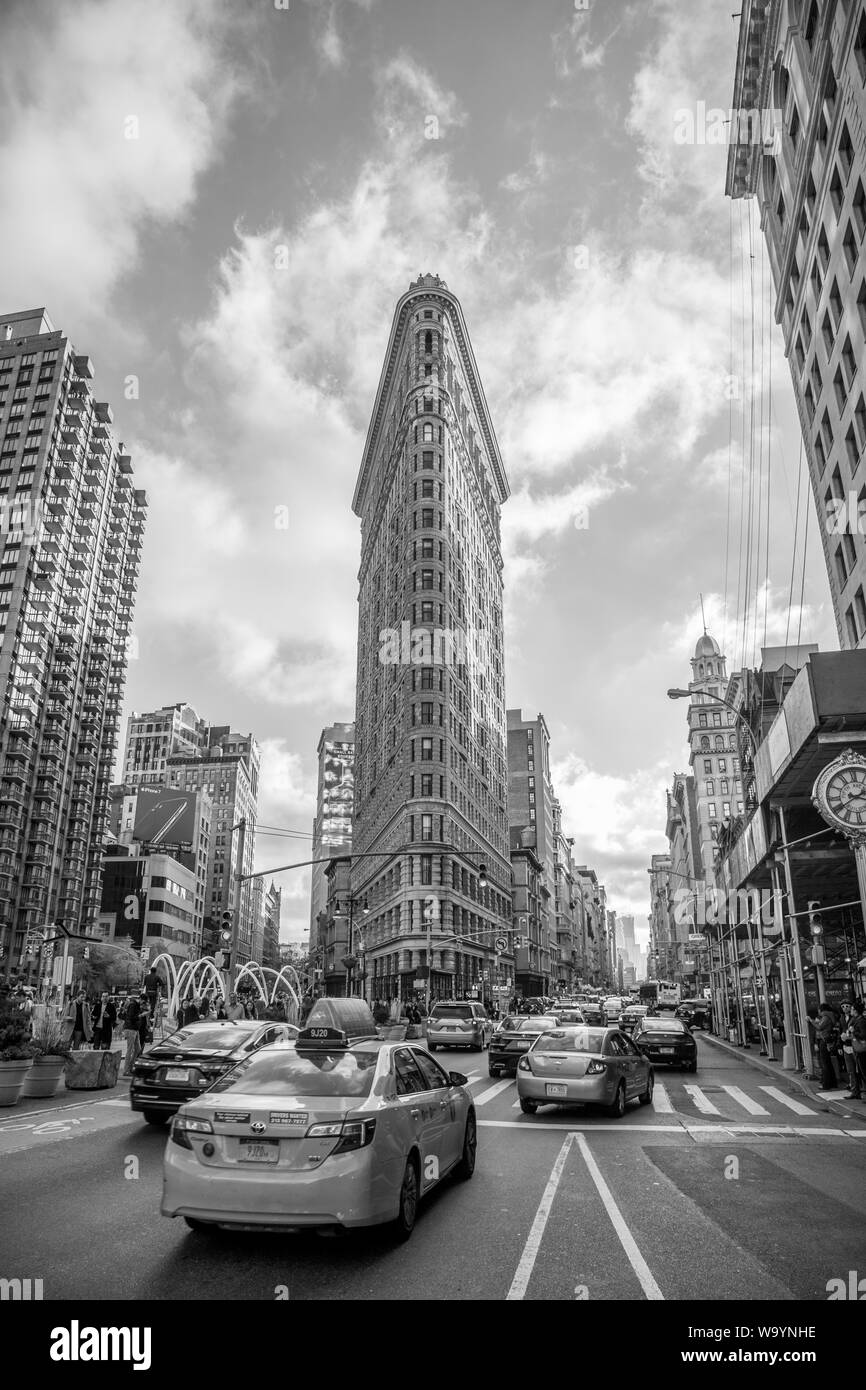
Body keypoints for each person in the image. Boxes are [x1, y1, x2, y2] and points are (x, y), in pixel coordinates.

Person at [816, 1003, 840, 1089]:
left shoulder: (826, 1017)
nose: (818, 1012)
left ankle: (826, 1084)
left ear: (822, 1010)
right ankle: (833, 1083)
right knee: (828, 1063)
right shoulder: (831, 1016)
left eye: (819, 1010)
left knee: (825, 1063)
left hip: (824, 1041)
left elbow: (819, 1027)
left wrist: (811, 1021)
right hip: (829, 1041)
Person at [840, 1003, 861, 1100]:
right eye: (843, 1007)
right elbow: (841, 1030)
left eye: (847, 1006)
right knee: (851, 1070)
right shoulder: (842, 1018)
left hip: (855, 1046)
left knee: (859, 1070)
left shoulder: (856, 1019)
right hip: (846, 1045)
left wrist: (848, 1035)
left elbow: (858, 1033)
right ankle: (854, 1091)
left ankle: (859, 1090)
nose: (845, 1008)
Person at [122, 995, 142, 1076]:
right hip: (131, 1028)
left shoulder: (136, 1005)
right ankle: (126, 1070)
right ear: (140, 999)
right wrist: (140, 1016)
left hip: (135, 1029)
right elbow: (131, 1017)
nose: (143, 1004)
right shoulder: (133, 1005)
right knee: (130, 1049)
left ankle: (130, 1067)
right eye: (143, 1002)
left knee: (138, 1049)